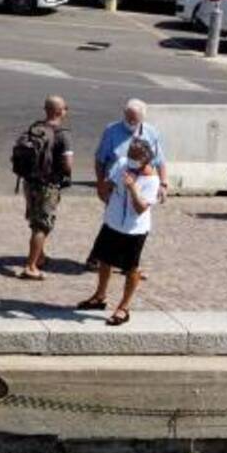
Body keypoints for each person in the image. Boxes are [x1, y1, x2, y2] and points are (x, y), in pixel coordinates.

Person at [79, 138, 161, 325]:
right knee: (104, 259)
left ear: (146, 158)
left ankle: (124, 307)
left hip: (134, 229)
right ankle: (100, 296)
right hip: (113, 222)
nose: (130, 159)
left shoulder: (152, 179)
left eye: (135, 157)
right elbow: (110, 184)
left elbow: (141, 208)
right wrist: (106, 186)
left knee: (131, 267)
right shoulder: (123, 164)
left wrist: (132, 188)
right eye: (130, 154)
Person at [19, 95, 73, 281]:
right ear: (60, 111)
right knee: (42, 226)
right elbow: (67, 164)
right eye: (66, 108)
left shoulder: (36, 128)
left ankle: (40, 256)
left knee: (34, 219)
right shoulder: (62, 134)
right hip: (48, 185)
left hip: (29, 182)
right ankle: (31, 265)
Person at [94, 98, 168, 202]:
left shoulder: (151, 133)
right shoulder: (111, 131)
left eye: (135, 121)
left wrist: (163, 184)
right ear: (124, 114)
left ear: (142, 118)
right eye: (129, 119)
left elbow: (160, 161)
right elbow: (100, 160)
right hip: (116, 187)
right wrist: (100, 184)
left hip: (142, 187)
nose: (131, 123)